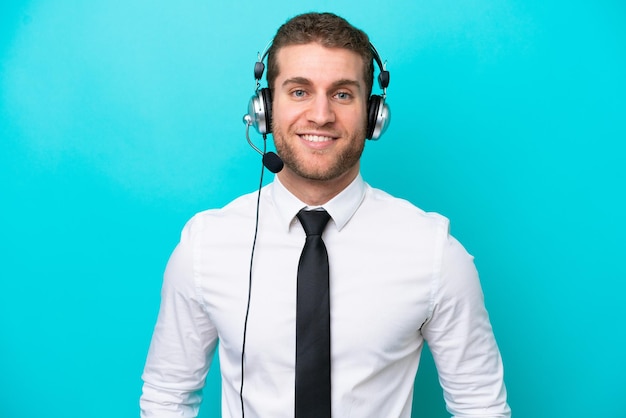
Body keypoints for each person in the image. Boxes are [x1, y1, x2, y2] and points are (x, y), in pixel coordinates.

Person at [140, 12, 510, 418]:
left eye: (342, 94)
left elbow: (481, 407)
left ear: (373, 115)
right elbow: (167, 396)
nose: (320, 115)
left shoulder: (434, 253)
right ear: (265, 108)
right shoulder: (205, 245)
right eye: (299, 92)